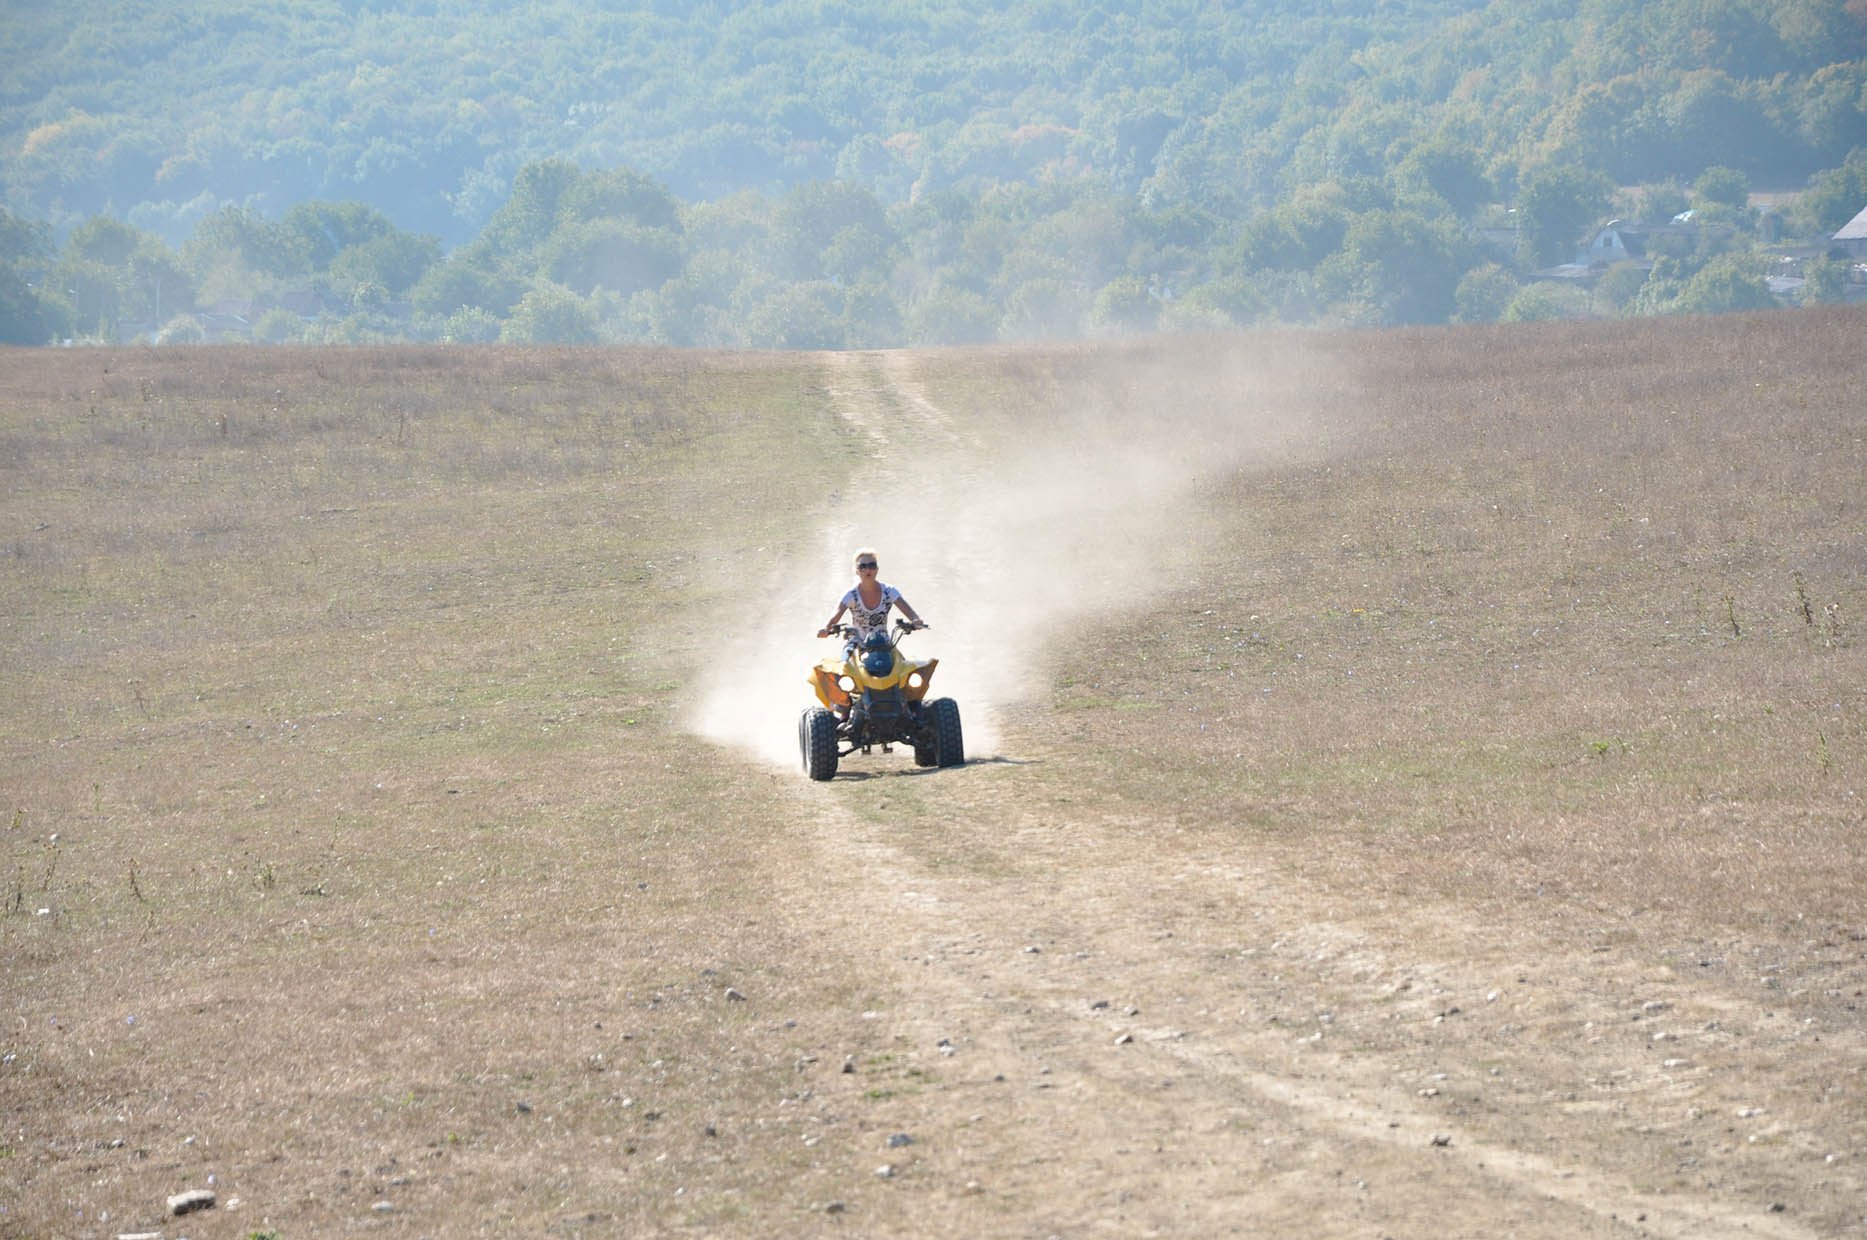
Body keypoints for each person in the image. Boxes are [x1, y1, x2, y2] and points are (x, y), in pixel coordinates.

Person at [818, 548, 925, 651]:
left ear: (877, 569)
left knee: (902, 666)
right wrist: (826, 629)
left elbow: (907, 609)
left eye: (872, 565)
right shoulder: (851, 595)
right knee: (845, 665)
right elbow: (835, 617)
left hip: (884, 644)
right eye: (862, 566)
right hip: (857, 644)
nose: (868, 570)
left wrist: (915, 620)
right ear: (857, 571)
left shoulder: (889, 591)